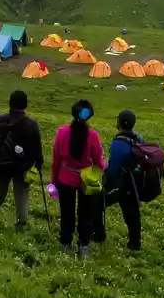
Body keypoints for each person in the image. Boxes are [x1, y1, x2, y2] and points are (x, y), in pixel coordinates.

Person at [51, 99, 104, 257]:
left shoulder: (62, 132)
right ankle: (84, 245)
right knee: (85, 213)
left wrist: (54, 180)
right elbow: (98, 160)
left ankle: (65, 242)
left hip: (65, 177)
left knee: (66, 212)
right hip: (86, 180)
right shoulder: (93, 136)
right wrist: (103, 167)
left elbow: (56, 159)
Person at [0, 90, 43, 231]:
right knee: (22, 192)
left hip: (1, 163)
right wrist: (38, 163)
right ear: (25, 105)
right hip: (21, 165)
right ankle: (21, 223)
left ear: (10, 103)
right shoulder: (31, 123)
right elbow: (37, 147)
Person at [104, 110, 144, 251]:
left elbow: (113, 169)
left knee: (99, 203)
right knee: (133, 213)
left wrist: (106, 178)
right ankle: (135, 243)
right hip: (137, 180)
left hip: (122, 183)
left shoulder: (118, 143)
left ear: (119, 122)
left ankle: (97, 233)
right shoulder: (139, 137)